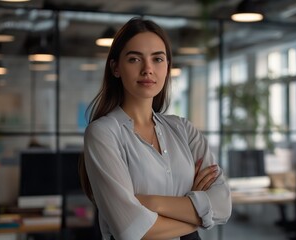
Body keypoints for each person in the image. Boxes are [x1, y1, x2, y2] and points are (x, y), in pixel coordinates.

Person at [79, 17, 231, 240]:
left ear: (168, 66)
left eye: (158, 59)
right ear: (116, 68)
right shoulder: (103, 133)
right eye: (134, 59)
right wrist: (199, 213)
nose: (148, 69)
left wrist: (150, 202)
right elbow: (131, 230)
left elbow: (223, 205)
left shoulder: (183, 129)